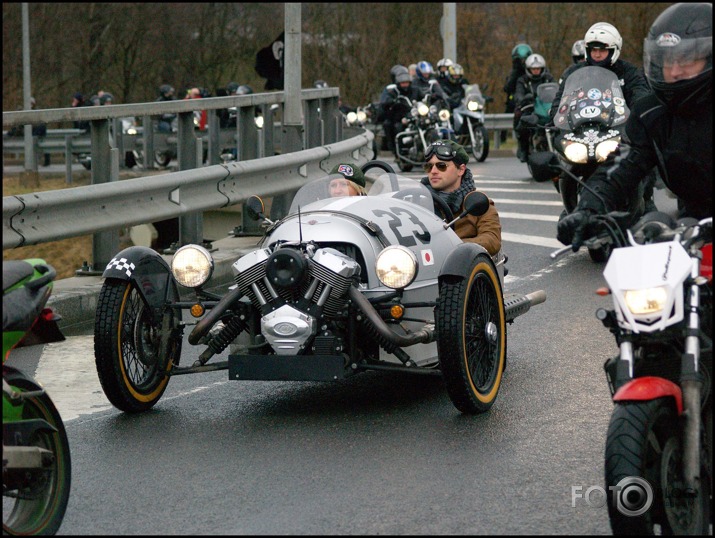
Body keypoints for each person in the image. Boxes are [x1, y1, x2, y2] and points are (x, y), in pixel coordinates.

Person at [557, 2, 712, 250]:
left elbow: (636, 88)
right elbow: (623, 164)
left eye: (686, 60)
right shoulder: (653, 113)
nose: (673, 71)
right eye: (667, 60)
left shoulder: (628, 74)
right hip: (694, 224)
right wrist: (587, 208)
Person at [420, 140, 502, 256]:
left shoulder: (479, 203)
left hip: (462, 267)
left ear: (461, 170)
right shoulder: (418, 201)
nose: (433, 171)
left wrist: (451, 245)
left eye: (441, 166)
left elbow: (492, 240)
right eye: (429, 166)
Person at [514, 53, 555, 162]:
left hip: (546, 106)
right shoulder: (523, 80)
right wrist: (523, 98)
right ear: (528, 69)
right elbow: (518, 94)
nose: (536, 71)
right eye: (533, 69)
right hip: (530, 107)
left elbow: (556, 90)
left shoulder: (548, 78)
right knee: (524, 121)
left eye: (538, 68)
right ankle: (523, 148)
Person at [379, 66, 419, 153]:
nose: (405, 85)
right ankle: (399, 149)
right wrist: (392, 101)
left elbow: (423, 95)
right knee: (396, 126)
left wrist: (433, 96)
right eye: (402, 83)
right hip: (398, 116)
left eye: (406, 82)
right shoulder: (391, 89)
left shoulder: (414, 89)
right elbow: (384, 101)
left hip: (413, 113)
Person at [504, 43, 533, 114]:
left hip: (531, 104)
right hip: (514, 105)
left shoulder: (536, 72)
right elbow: (507, 88)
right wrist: (516, 72)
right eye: (519, 60)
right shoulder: (514, 73)